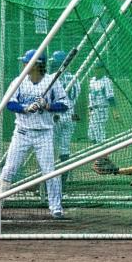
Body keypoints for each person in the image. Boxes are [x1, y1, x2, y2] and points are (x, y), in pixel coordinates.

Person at [0, 49, 71, 219]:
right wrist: (25, 108)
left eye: (27, 62)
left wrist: (47, 106)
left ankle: (56, 208)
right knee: (9, 169)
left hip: (44, 134)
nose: (24, 65)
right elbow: (9, 104)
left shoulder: (52, 82)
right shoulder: (19, 81)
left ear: (36, 65)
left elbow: (64, 105)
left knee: (49, 171)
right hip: (22, 133)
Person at [49, 50, 81, 182]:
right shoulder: (75, 77)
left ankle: (48, 180)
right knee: (64, 148)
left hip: (56, 116)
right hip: (70, 115)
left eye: (54, 62)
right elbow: (77, 96)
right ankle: (63, 180)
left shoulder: (52, 78)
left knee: (49, 147)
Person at [87, 60, 115, 144]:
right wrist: (89, 110)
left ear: (103, 69)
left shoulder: (106, 81)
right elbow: (90, 97)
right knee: (91, 134)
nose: (96, 70)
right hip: (93, 110)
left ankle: (102, 154)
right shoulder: (92, 81)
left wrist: (114, 112)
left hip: (101, 110)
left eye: (99, 68)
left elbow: (111, 98)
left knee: (99, 133)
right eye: (95, 68)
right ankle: (98, 151)